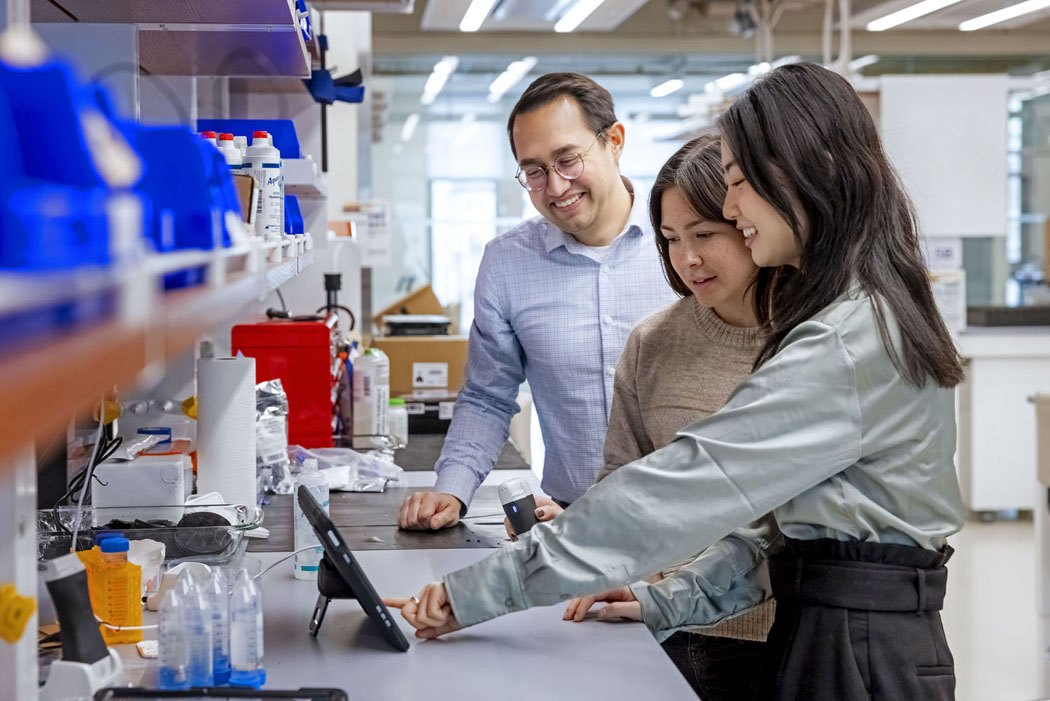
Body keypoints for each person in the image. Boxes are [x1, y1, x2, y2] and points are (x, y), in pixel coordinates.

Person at [385, 62, 965, 701]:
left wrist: (470, 594)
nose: (733, 205)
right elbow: (777, 532)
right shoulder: (857, 312)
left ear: (810, 172)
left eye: (739, 183)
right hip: (835, 629)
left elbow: (683, 488)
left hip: (858, 648)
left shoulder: (843, 338)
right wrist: (666, 599)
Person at [518, 134, 774, 700]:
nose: (688, 259)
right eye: (671, 239)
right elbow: (623, 482)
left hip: (770, 637)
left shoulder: (805, 345)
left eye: (705, 235)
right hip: (654, 623)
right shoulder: (654, 341)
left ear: (749, 224)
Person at [397, 73, 676, 530]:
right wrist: (452, 488)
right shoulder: (507, 264)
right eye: (534, 171)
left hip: (690, 526)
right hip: (571, 520)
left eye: (568, 159)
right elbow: (487, 396)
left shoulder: (686, 241)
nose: (556, 187)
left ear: (615, 141)